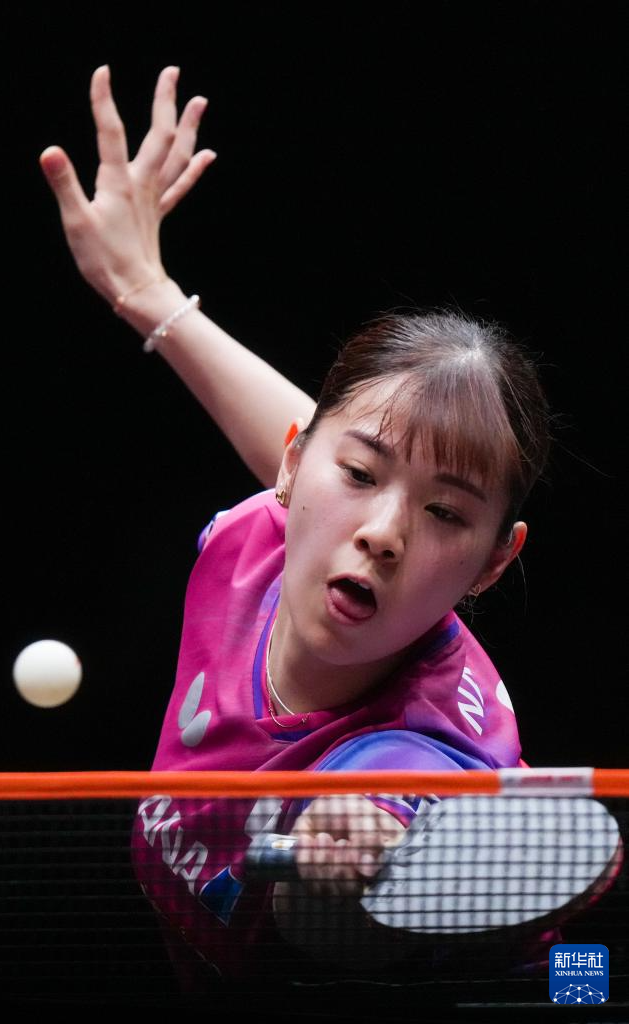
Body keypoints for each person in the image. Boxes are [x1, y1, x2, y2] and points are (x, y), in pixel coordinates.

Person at [40, 66, 552, 986]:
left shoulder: (436, 744)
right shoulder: (255, 534)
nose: (383, 531)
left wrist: (356, 845)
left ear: (491, 563)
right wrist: (144, 289)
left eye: (445, 514)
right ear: (292, 466)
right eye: (358, 476)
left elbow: (395, 799)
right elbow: (339, 449)